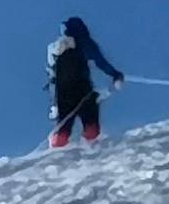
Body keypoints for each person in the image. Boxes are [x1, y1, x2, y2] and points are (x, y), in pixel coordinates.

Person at [49, 16, 124, 147]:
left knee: (64, 125)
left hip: (62, 94)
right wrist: (115, 74)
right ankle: (93, 150)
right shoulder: (84, 42)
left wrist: (54, 102)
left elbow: (52, 76)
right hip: (82, 90)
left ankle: (55, 152)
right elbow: (99, 61)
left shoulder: (58, 48)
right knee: (90, 121)